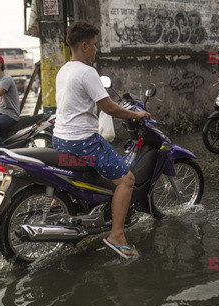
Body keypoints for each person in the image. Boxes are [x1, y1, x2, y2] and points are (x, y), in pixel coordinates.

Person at [52, 21, 151, 259]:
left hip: (59, 139)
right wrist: (136, 114)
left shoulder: (64, 69)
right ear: (84, 46)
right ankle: (117, 235)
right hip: (82, 141)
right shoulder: (87, 72)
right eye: (95, 45)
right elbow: (108, 107)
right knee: (127, 180)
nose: (96, 49)